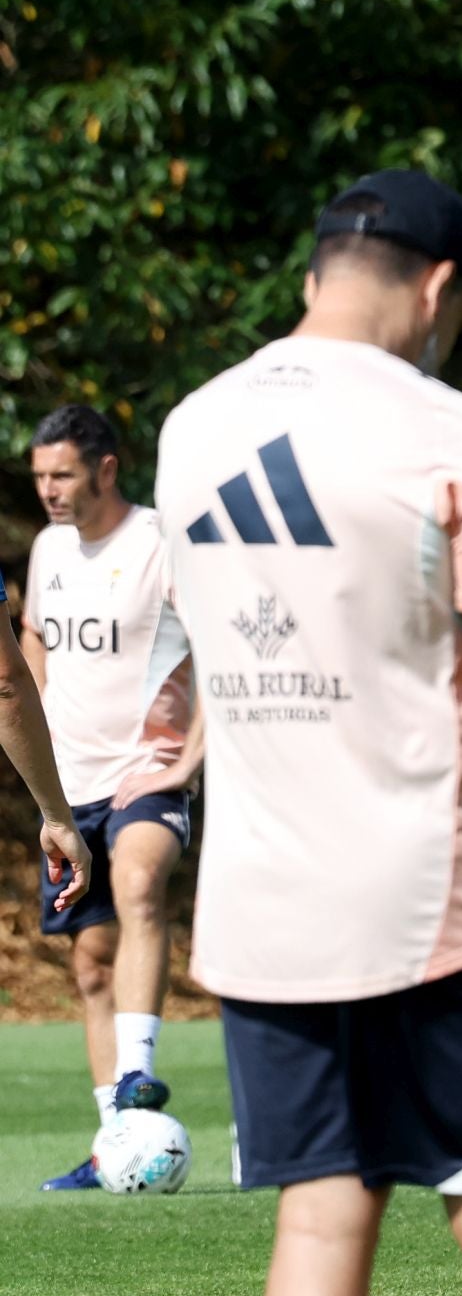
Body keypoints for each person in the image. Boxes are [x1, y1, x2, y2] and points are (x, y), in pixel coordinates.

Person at [153, 169, 462, 1296]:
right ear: (442, 285)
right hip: (443, 906)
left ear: (314, 273)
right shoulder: (451, 431)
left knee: (320, 1220)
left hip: (265, 911)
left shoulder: (190, 427)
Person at [20, 404, 198, 1191]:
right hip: (69, 785)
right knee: (91, 964)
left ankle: (137, 1076)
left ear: (106, 469)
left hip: (146, 772)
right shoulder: (47, 548)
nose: (49, 490)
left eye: (61, 474)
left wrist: (187, 762)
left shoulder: (162, 541)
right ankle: (114, 1142)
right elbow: (32, 639)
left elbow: (226, 648)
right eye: (38, 477)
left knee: (137, 880)